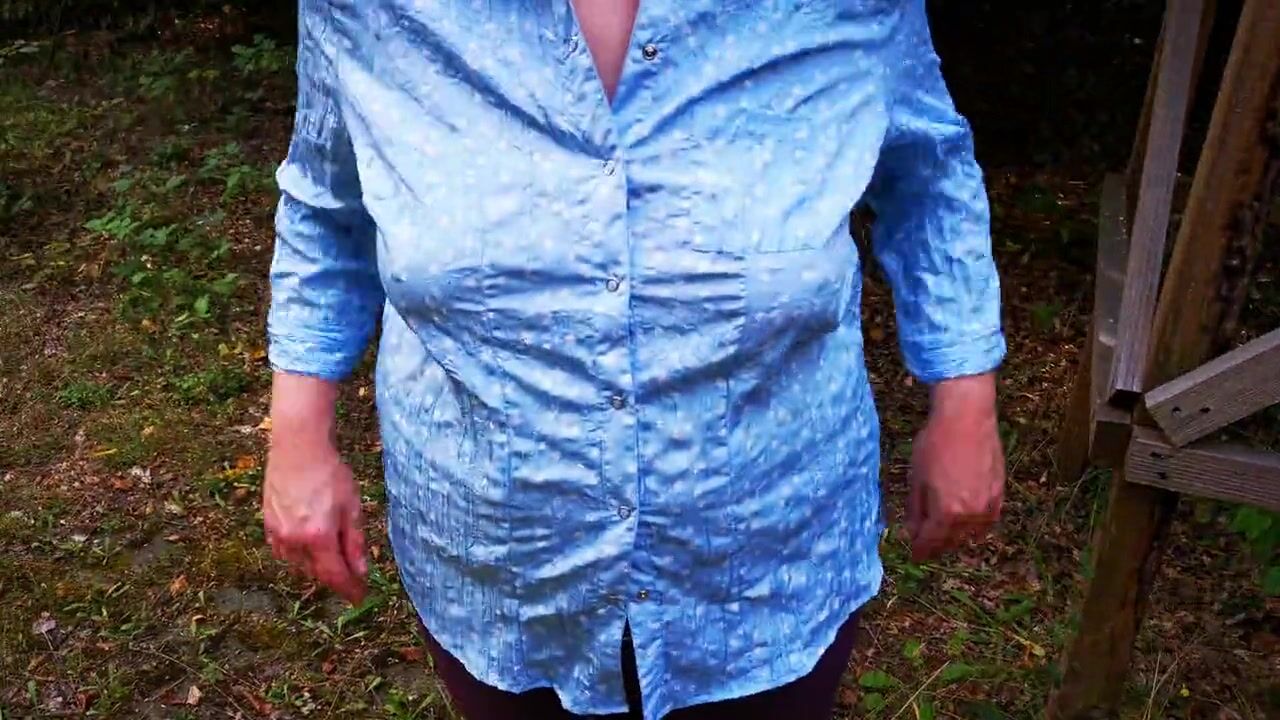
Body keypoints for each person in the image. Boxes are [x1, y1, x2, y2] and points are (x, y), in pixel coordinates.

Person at [261, 0, 1006, 718]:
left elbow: (930, 174)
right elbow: (326, 207)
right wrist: (298, 438)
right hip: (498, 562)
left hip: (770, 564)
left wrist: (965, 403)